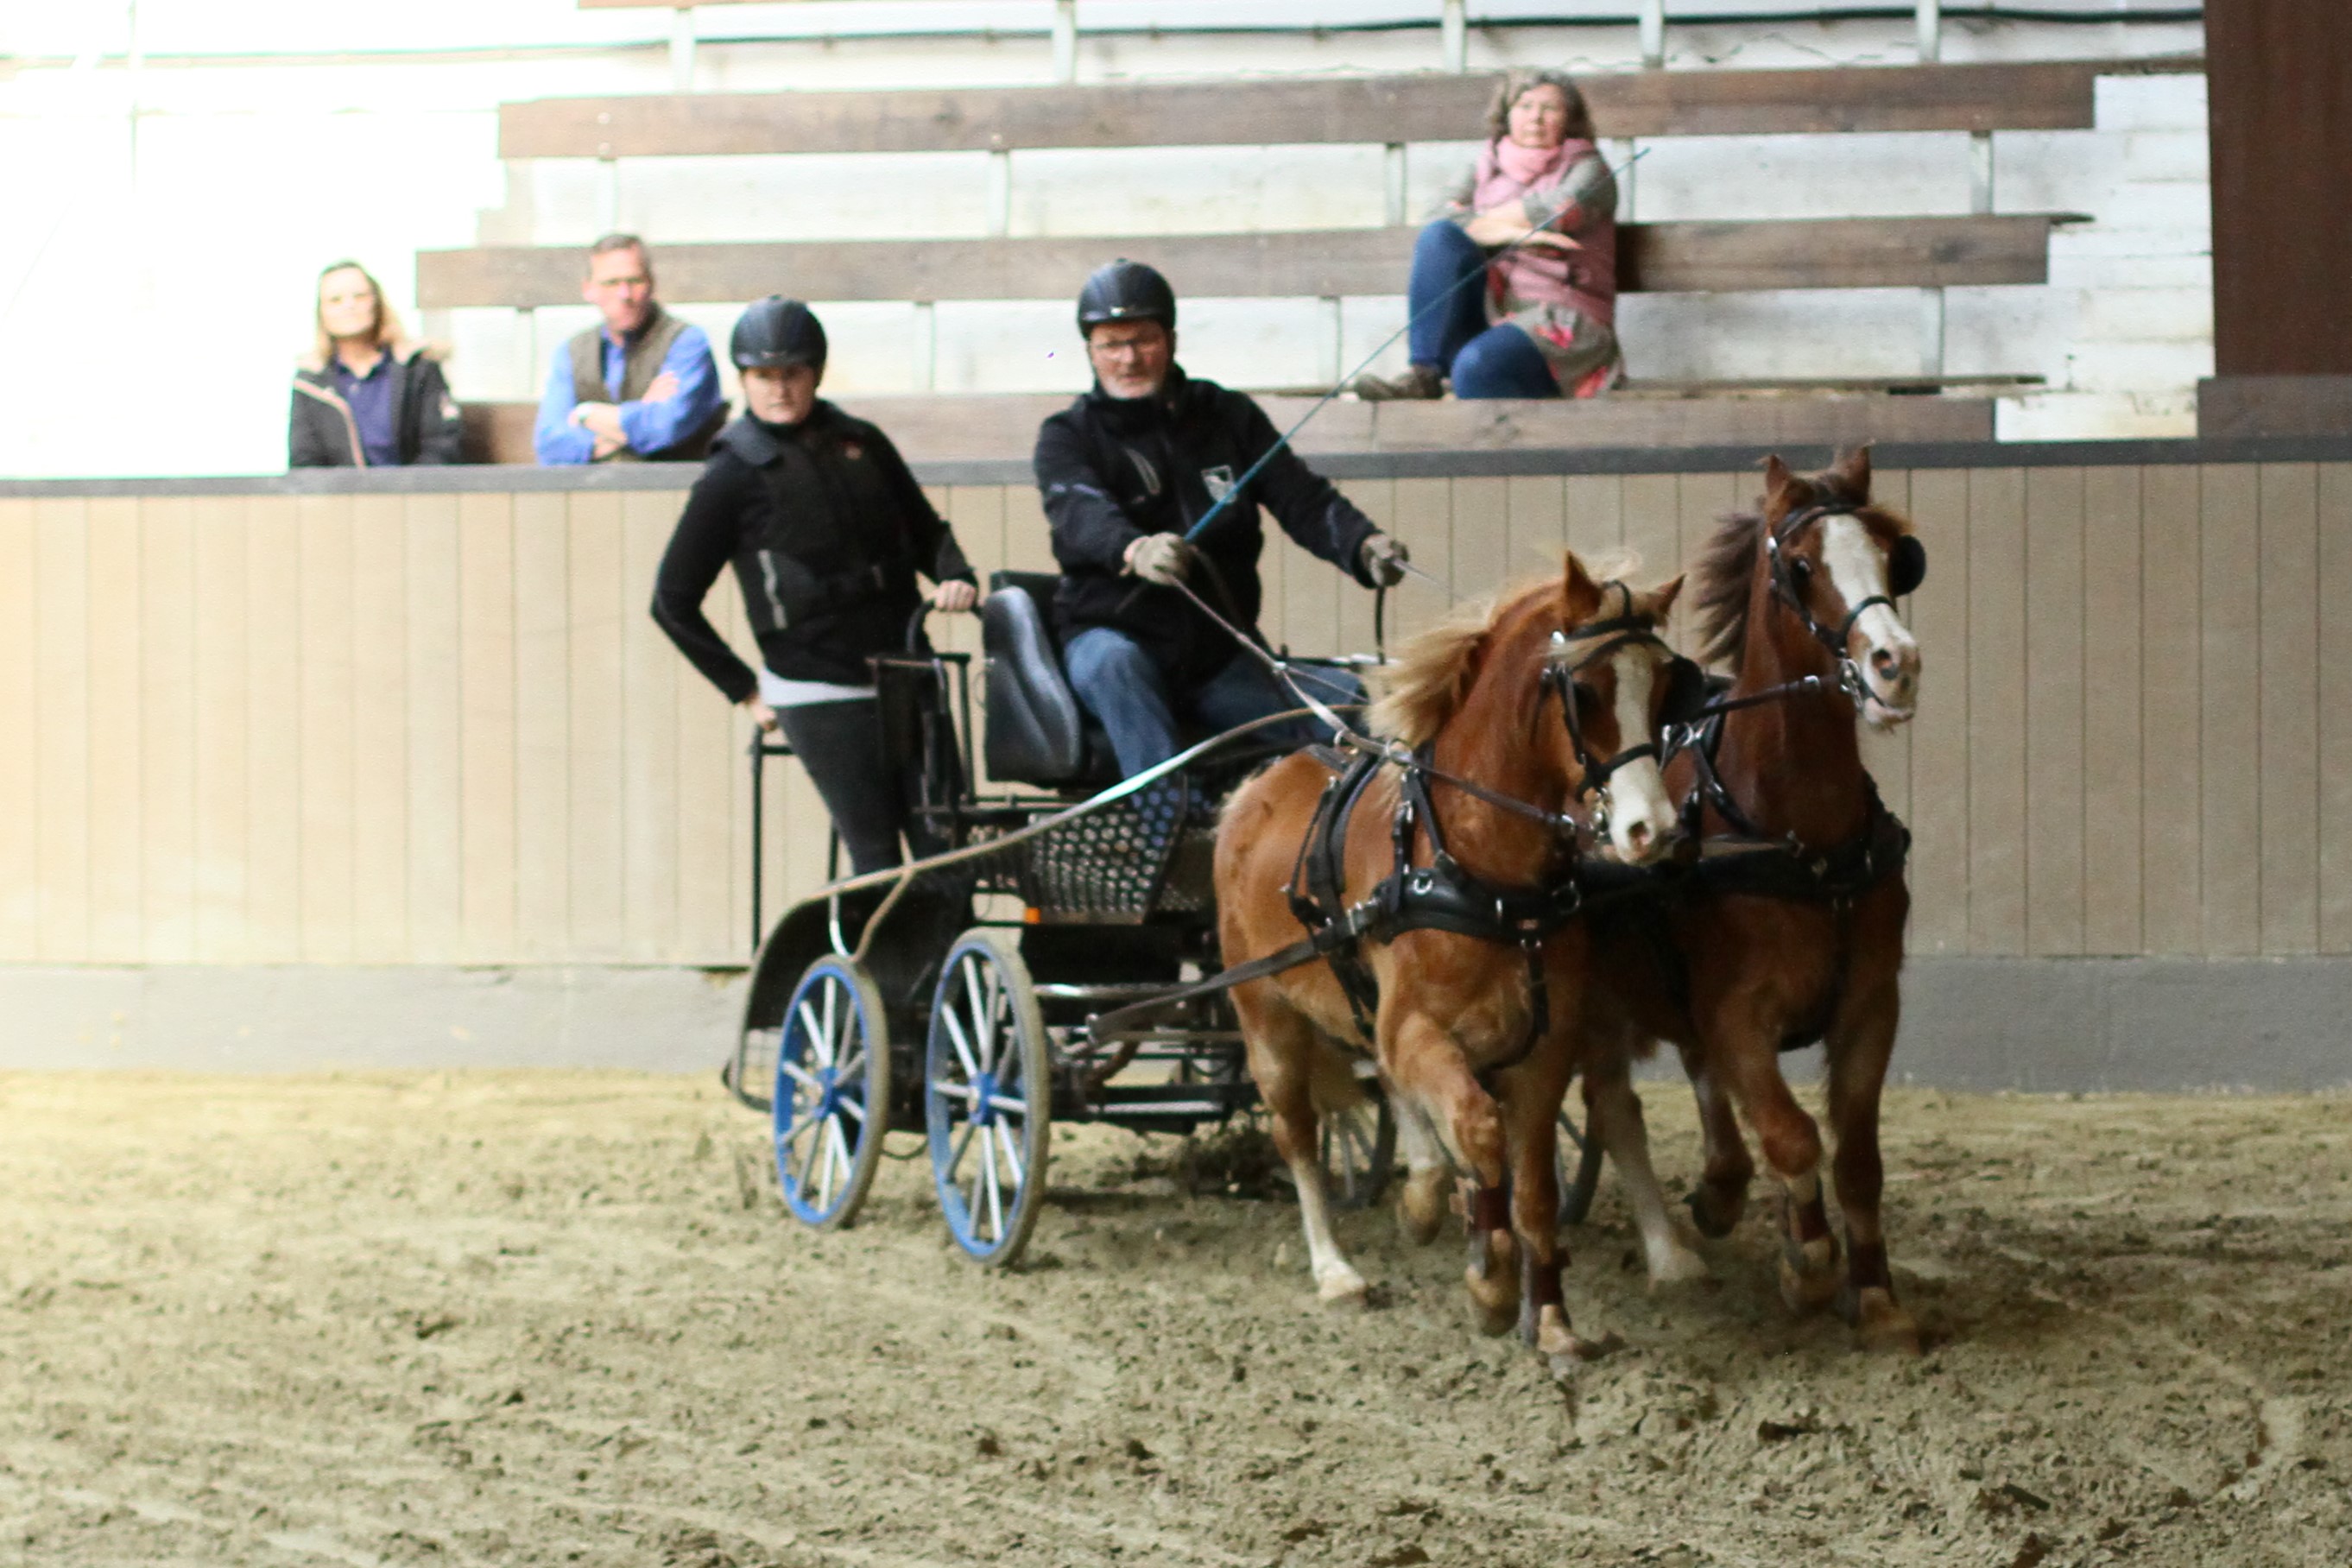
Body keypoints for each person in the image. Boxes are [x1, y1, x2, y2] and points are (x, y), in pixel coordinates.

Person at [1035, 260, 1410, 779]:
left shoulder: (1228, 415)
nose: (1129, 358)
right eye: (1111, 344)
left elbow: (1301, 497)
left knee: (1351, 708)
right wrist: (1134, 549)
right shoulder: (1066, 435)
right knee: (1116, 664)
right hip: (1111, 637)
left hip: (1218, 656)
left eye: (1143, 340)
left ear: (1171, 339)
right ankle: (1167, 821)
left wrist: (1363, 544)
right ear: (1090, 351)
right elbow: (1080, 511)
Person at [650, 297, 977, 876]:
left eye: (792, 373)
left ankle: (952, 938)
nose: (779, 389)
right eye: (763, 376)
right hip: (816, 687)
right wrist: (745, 691)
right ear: (744, 380)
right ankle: (879, 940)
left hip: (906, 670)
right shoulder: (731, 474)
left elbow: (925, 530)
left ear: (817, 372)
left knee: (949, 849)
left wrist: (956, 575)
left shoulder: (864, 443)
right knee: (875, 857)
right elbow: (672, 602)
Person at [1355, 70, 1622, 402]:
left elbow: (1556, 209)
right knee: (1440, 237)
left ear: (1570, 119)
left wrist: (1482, 226)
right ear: (1507, 115)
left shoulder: (1589, 169)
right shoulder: (1483, 168)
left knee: (1479, 365)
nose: (1535, 117)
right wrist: (1515, 234)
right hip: (1491, 314)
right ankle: (1424, 374)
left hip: (1560, 321)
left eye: (1550, 108)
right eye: (1524, 105)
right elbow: (1437, 217)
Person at [534, 233, 724, 465]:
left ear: (651, 284)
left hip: (674, 483)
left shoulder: (686, 342)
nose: (624, 294)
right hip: (592, 486)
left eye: (634, 281)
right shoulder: (572, 351)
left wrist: (586, 415)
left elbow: (665, 427)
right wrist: (642, 412)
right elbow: (549, 444)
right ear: (589, 289)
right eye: (611, 283)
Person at [289, 261, 462, 468]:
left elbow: (441, 447)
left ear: (377, 302)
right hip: (343, 489)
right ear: (321, 313)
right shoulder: (309, 382)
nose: (349, 305)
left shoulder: (418, 367)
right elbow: (304, 462)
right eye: (335, 300)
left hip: (415, 487)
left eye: (360, 296)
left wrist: (405, 487)